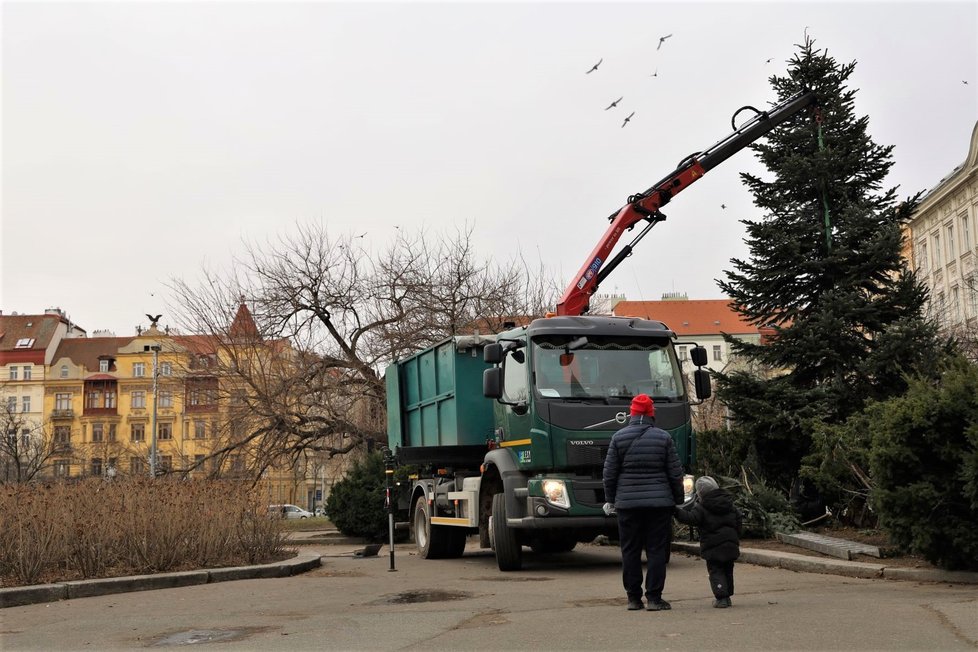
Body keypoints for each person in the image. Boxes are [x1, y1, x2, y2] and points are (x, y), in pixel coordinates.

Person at [602, 393, 685, 611]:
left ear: (632, 413)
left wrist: (611, 500)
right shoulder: (663, 437)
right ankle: (655, 599)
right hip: (659, 505)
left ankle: (633, 599)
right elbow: (675, 473)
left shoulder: (618, 438)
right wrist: (677, 501)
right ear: (650, 414)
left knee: (630, 550)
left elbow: (609, 474)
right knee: (656, 550)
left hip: (627, 505)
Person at [673, 476, 742, 608]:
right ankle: (727, 594)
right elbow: (738, 519)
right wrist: (736, 535)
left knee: (716, 570)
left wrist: (676, 511)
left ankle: (722, 598)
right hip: (730, 544)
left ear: (700, 493)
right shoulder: (729, 504)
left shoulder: (702, 507)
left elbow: (691, 518)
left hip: (712, 546)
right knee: (728, 569)